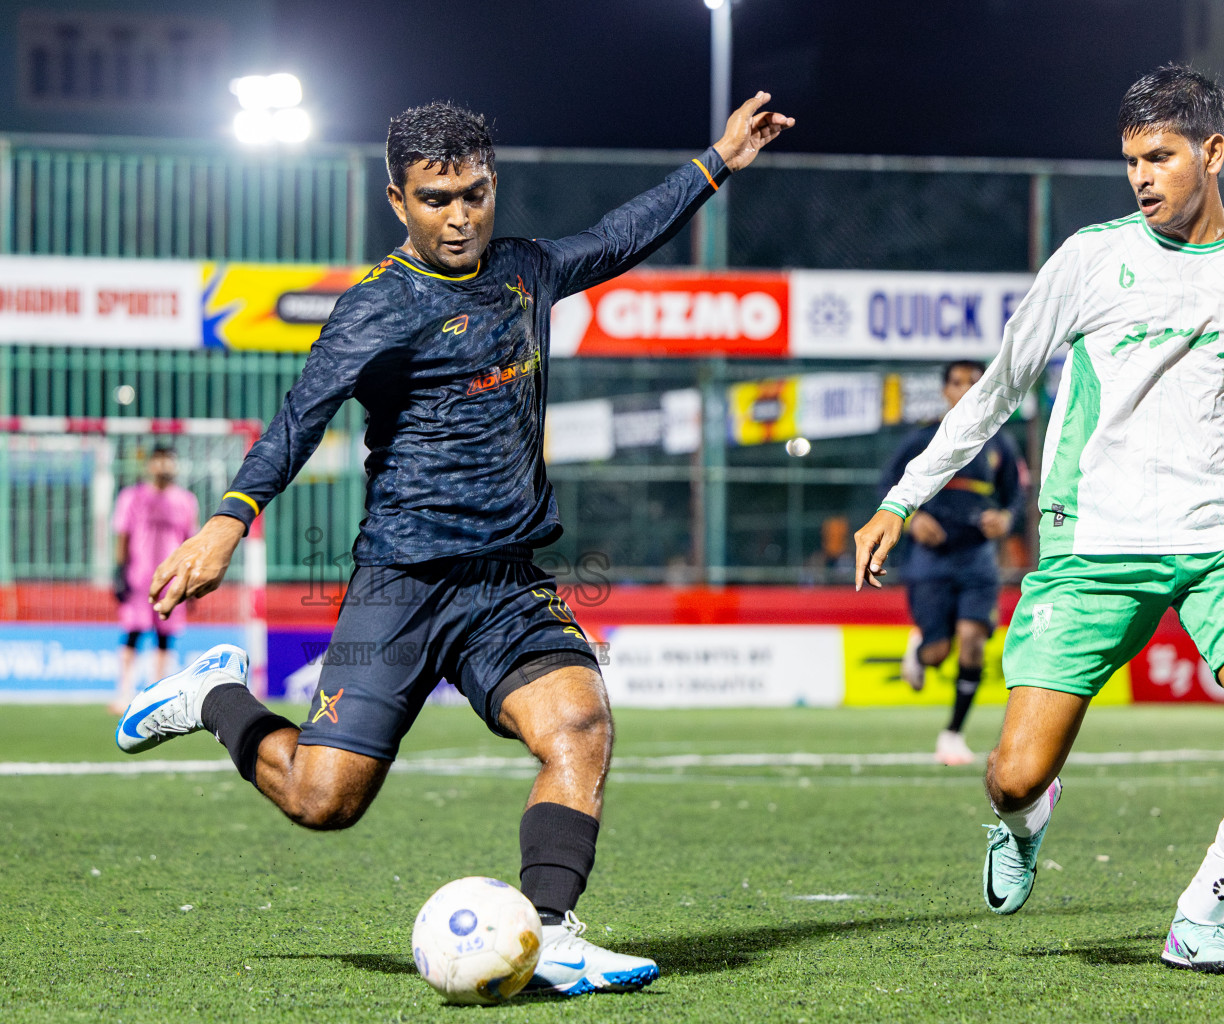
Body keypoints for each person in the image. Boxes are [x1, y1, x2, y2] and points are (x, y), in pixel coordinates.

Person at [117, 94, 793, 996]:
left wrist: (715, 162)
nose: (459, 215)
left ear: (492, 185)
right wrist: (227, 518)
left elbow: (620, 235)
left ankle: (549, 932)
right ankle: (214, 696)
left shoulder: (524, 271)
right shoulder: (375, 308)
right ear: (397, 199)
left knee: (580, 725)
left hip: (505, 584)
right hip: (401, 583)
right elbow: (299, 417)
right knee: (323, 802)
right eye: (436, 198)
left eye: (473, 192)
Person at [853, 64, 1224, 971]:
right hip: (1095, 543)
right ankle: (1024, 822)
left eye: (1162, 157)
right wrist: (905, 496)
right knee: (1015, 771)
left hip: (1216, 540)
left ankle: (1204, 911)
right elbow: (997, 390)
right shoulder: (1093, 259)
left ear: (1215, 153)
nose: (1142, 177)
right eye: (1132, 160)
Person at [882, 360, 1025, 766]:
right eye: (957, 382)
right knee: (939, 651)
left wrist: (1006, 519)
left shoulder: (999, 442)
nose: (965, 389)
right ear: (944, 390)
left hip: (977, 556)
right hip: (930, 558)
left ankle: (953, 734)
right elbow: (888, 485)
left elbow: (1015, 495)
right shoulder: (923, 438)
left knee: (973, 641)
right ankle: (920, 648)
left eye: (974, 383)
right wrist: (913, 518)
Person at [110, 447, 198, 713]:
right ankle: (124, 692)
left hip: (171, 579)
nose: (164, 466)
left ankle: (156, 692)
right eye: (159, 460)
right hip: (139, 577)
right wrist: (119, 569)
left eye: (169, 460)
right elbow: (123, 535)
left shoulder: (186, 501)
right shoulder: (132, 497)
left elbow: (189, 542)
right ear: (150, 465)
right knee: (133, 632)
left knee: (164, 636)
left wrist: (191, 581)